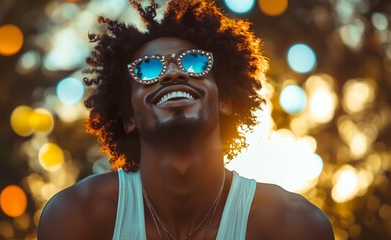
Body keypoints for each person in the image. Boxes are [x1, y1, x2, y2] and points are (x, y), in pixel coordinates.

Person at [38, 0, 335, 239]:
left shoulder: (293, 225)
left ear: (226, 100)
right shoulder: (78, 217)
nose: (172, 73)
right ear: (128, 116)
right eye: (148, 69)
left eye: (194, 62)